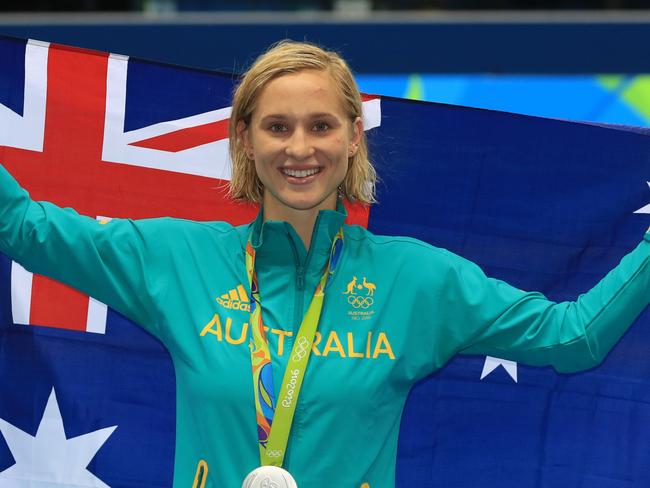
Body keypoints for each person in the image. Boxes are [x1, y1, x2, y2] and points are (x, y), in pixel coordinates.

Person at [1, 40, 649, 488]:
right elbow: (22, 226)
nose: (299, 148)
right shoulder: (175, 258)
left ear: (352, 139)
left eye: (321, 125)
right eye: (277, 127)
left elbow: (574, 337)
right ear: (245, 143)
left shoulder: (419, 281)